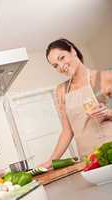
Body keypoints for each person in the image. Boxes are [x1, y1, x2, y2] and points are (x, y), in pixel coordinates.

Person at [40, 38, 112, 169]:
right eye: (55, 65)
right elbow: (67, 130)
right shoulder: (61, 90)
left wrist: (108, 113)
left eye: (62, 58)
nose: (61, 66)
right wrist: (52, 161)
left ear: (73, 51)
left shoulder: (103, 77)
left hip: (109, 150)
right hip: (88, 159)